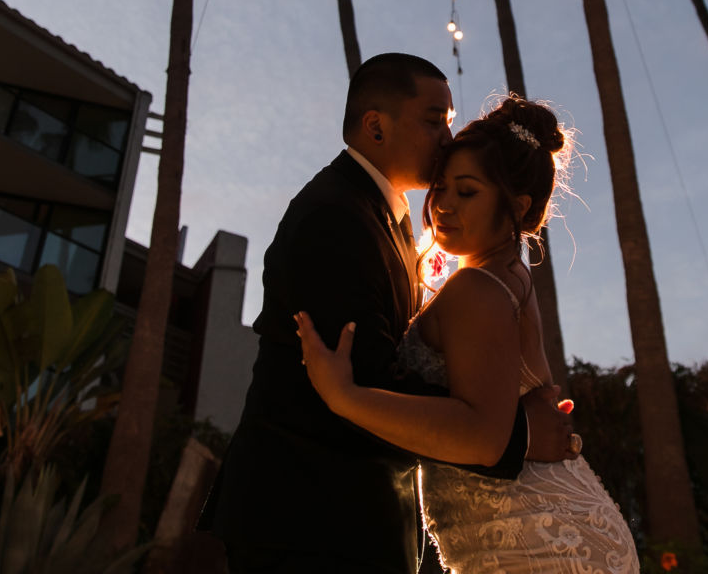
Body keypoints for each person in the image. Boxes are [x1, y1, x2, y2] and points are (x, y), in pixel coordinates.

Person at [200, 54, 579, 574]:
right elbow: (365, 379)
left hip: (356, 524)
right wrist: (518, 434)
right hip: (308, 519)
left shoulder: (394, 225)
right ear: (375, 125)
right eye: (433, 120)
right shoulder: (334, 216)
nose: (447, 139)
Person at [297, 95, 641, 574]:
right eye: (441, 187)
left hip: (538, 543)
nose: (442, 205)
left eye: (467, 192)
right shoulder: (511, 278)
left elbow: (482, 436)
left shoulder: (479, 286)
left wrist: (345, 396)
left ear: (517, 208)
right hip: (557, 526)